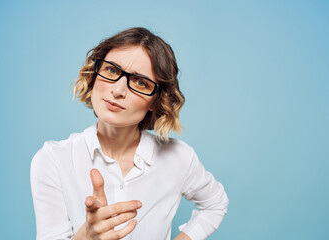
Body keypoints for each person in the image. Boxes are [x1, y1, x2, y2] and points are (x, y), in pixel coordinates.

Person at [30, 27, 229, 240]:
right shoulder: (52, 159)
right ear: (95, 72)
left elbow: (216, 204)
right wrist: (86, 237)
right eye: (112, 71)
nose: (117, 90)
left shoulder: (179, 158)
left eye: (140, 82)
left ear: (156, 100)